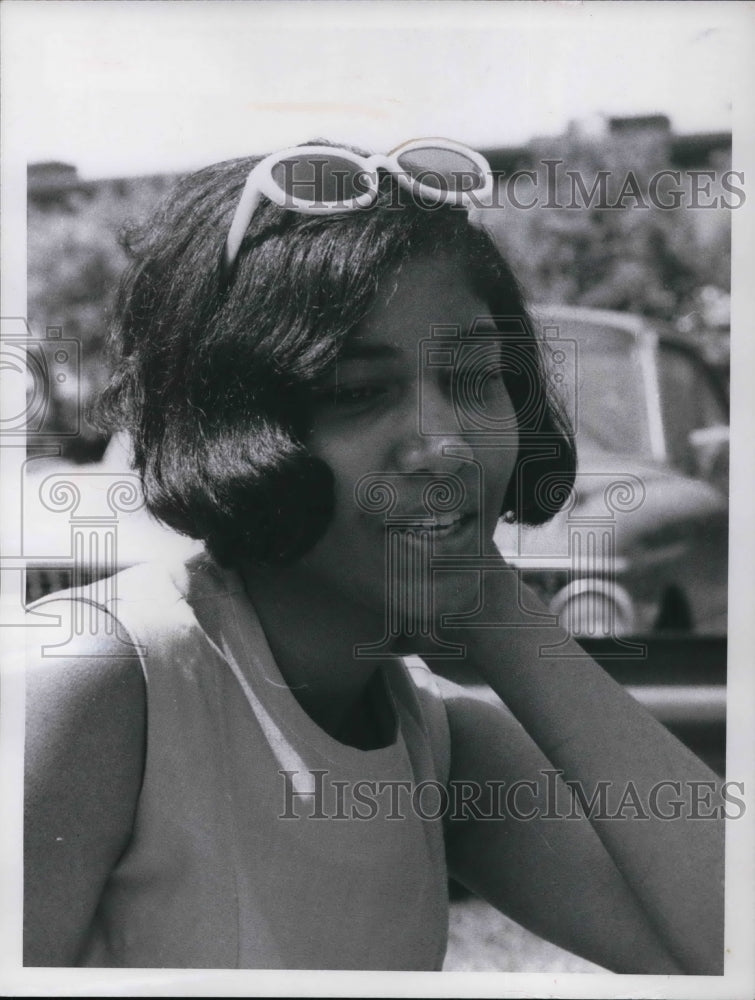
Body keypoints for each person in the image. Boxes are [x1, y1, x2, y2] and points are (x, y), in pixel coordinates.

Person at [23, 140, 724, 972]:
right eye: (355, 392)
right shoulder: (96, 679)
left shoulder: (433, 736)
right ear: (230, 424)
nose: (446, 445)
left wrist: (504, 618)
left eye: (474, 380)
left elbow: (727, 948)